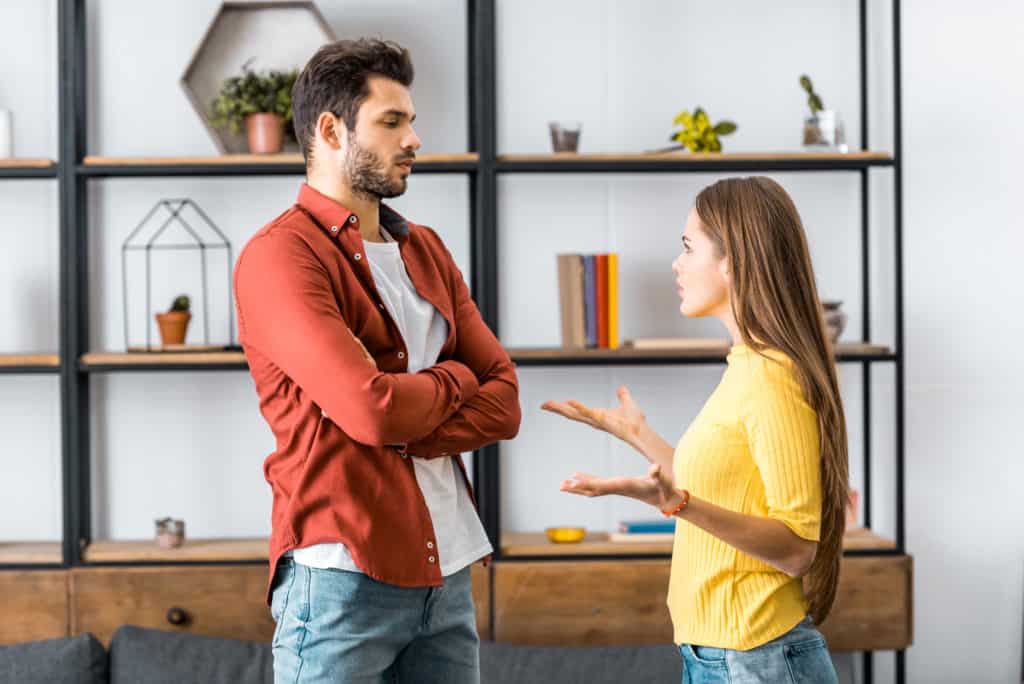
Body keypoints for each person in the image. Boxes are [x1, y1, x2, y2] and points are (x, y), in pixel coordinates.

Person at [233, 38, 520, 684]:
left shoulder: (426, 250)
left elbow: (503, 401)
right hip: (341, 579)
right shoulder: (282, 257)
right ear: (331, 132)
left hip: (445, 574)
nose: (414, 138)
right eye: (392, 122)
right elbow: (371, 409)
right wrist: (454, 378)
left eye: (411, 121)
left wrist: (405, 414)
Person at [542, 176, 846, 683]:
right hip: (722, 657)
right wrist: (637, 433)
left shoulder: (772, 377)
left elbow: (796, 548)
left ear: (732, 260)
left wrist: (675, 505)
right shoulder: (748, 367)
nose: (678, 265)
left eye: (688, 248)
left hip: (755, 659)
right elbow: (720, 482)